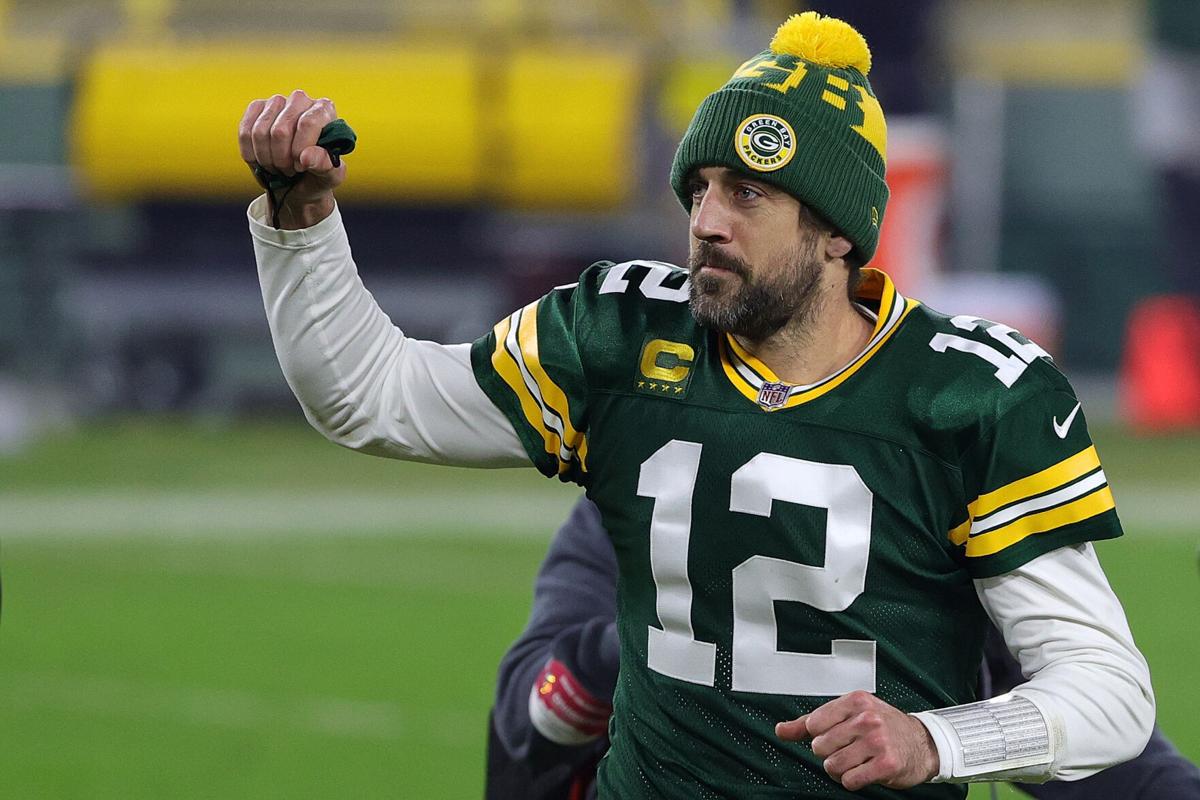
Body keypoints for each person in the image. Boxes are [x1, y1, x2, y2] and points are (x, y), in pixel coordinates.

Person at [241, 12, 1155, 797]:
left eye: (748, 193)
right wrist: (302, 221)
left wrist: (936, 740)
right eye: (701, 189)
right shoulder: (622, 335)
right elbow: (368, 395)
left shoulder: (969, 393)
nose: (708, 220)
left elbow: (1109, 692)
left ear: (839, 232)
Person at [486, 496, 1200, 799]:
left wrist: (934, 737)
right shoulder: (639, 492)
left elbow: (1112, 766)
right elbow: (528, 717)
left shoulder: (927, 517)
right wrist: (646, 650)